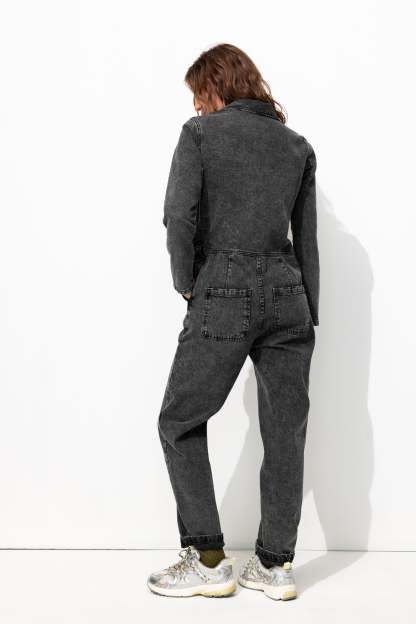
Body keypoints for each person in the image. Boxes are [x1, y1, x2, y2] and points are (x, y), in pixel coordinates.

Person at [147, 43, 319, 601]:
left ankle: (207, 558)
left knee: (179, 420)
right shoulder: (296, 145)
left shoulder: (200, 135)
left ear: (217, 85)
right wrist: (310, 310)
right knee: (285, 432)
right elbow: (306, 238)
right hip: (290, 296)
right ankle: (275, 564)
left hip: (223, 286)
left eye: (201, 96)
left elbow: (179, 216)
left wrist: (186, 281)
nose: (197, 108)